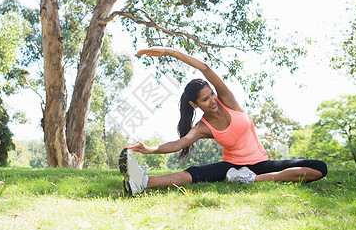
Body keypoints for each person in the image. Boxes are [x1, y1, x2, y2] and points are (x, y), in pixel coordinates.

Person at [119, 47, 327, 196]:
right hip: (231, 167)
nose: (212, 101)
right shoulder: (202, 127)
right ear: (195, 104)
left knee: (319, 168)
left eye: (211, 94)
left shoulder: (227, 100)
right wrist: (152, 149)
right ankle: (143, 183)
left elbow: (206, 69)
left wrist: (170, 52)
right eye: (205, 99)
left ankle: (251, 179)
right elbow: (178, 144)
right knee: (195, 174)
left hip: (260, 164)